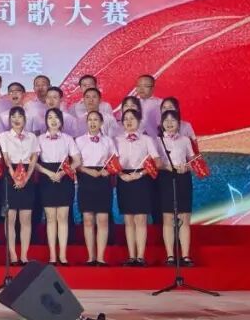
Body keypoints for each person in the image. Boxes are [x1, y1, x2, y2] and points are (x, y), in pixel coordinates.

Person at [35, 108, 80, 266]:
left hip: (64, 178)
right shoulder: (39, 139)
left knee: (62, 218)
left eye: (56, 117)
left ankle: (63, 255)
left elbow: (77, 160)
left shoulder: (67, 139)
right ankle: (53, 256)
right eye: (50, 117)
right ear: (46, 121)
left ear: (61, 121)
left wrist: (63, 172)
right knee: (50, 218)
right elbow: (34, 163)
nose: (53, 120)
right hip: (47, 178)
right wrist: (48, 173)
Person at [115, 109, 160, 266]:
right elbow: (112, 162)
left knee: (140, 219)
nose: (128, 121)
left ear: (139, 121)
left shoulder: (147, 139)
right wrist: (121, 175)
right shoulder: (117, 140)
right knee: (128, 220)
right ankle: (131, 256)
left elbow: (157, 161)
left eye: (132, 118)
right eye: (125, 119)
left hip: (142, 179)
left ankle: (140, 257)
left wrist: (140, 174)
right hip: (124, 179)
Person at [0, 107, 39, 265]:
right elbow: (6, 159)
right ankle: (13, 255)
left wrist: (26, 178)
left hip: (27, 176)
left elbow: (34, 158)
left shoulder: (32, 137)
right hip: (11, 175)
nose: (16, 119)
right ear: (9, 119)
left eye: (20, 116)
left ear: (25, 119)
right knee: (10, 217)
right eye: (13, 116)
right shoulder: (4, 136)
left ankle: (24, 255)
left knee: (26, 218)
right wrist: (15, 177)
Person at [76, 110, 116, 265]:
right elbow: (75, 163)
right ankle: (90, 257)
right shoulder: (79, 140)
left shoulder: (108, 141)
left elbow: (115, 160)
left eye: (96, 120)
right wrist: (87, 171)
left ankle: (100, 257)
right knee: (87, 219)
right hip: (86, 179)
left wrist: (109, 170)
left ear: (101, 123)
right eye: (90, 120)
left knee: (103, 219)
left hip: (103, 180)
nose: (92, 123)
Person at [157, 110, 196, 266]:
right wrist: (166, 167)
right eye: (166, 120)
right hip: (166, 178)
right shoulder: (157, 140)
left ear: (179, 124)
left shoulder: (185, 140)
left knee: (184, 217)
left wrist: (186, 167)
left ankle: (185, 256)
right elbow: (155, 162)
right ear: (162, 124)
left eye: (173, 120)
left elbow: (193, 161)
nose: (169, 123)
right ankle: (170, 256)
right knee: (168, 217)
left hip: (183, 178)